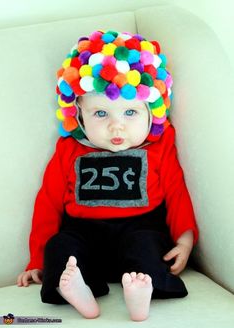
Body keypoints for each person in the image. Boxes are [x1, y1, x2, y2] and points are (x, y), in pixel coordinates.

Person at [17, 30, 198, 321]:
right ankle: (79, 292)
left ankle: (140, 296)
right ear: (78, 114)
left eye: (130, 113)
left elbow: (177, 191)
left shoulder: (158, 146)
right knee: (59, 247)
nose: (117, 127)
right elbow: (48, 202)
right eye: (101, 114)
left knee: (147, 248)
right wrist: (37, 260)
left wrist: (185, 240)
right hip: (83, 237)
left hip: (140, 229)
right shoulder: (69, 150)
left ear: (152, 112)